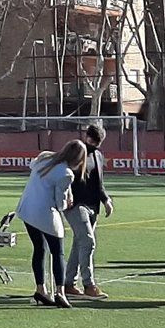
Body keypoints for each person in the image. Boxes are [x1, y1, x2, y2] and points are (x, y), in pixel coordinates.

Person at [17, 140, 87, 308]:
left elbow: (33, 167)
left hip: (27, 209)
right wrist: (69, 201)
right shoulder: (66, 173)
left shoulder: (44, 157)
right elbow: (60, 203)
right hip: (45, 213)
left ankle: (41, 289)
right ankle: (60, 292)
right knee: (58, 252)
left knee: (39, 249)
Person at [62, 123, 114, 299]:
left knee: (79, 245)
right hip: (76, 205)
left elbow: (98, 184)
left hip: (93, 207)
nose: (93, 144)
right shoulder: (76, 153)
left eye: (97, 142)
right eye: (92, 140)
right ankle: (89, 285)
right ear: (86, 137)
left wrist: (106, 200)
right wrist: (66, 192)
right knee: (88, 241)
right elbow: (64, 174)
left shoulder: (98, 156)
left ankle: (68, 283)